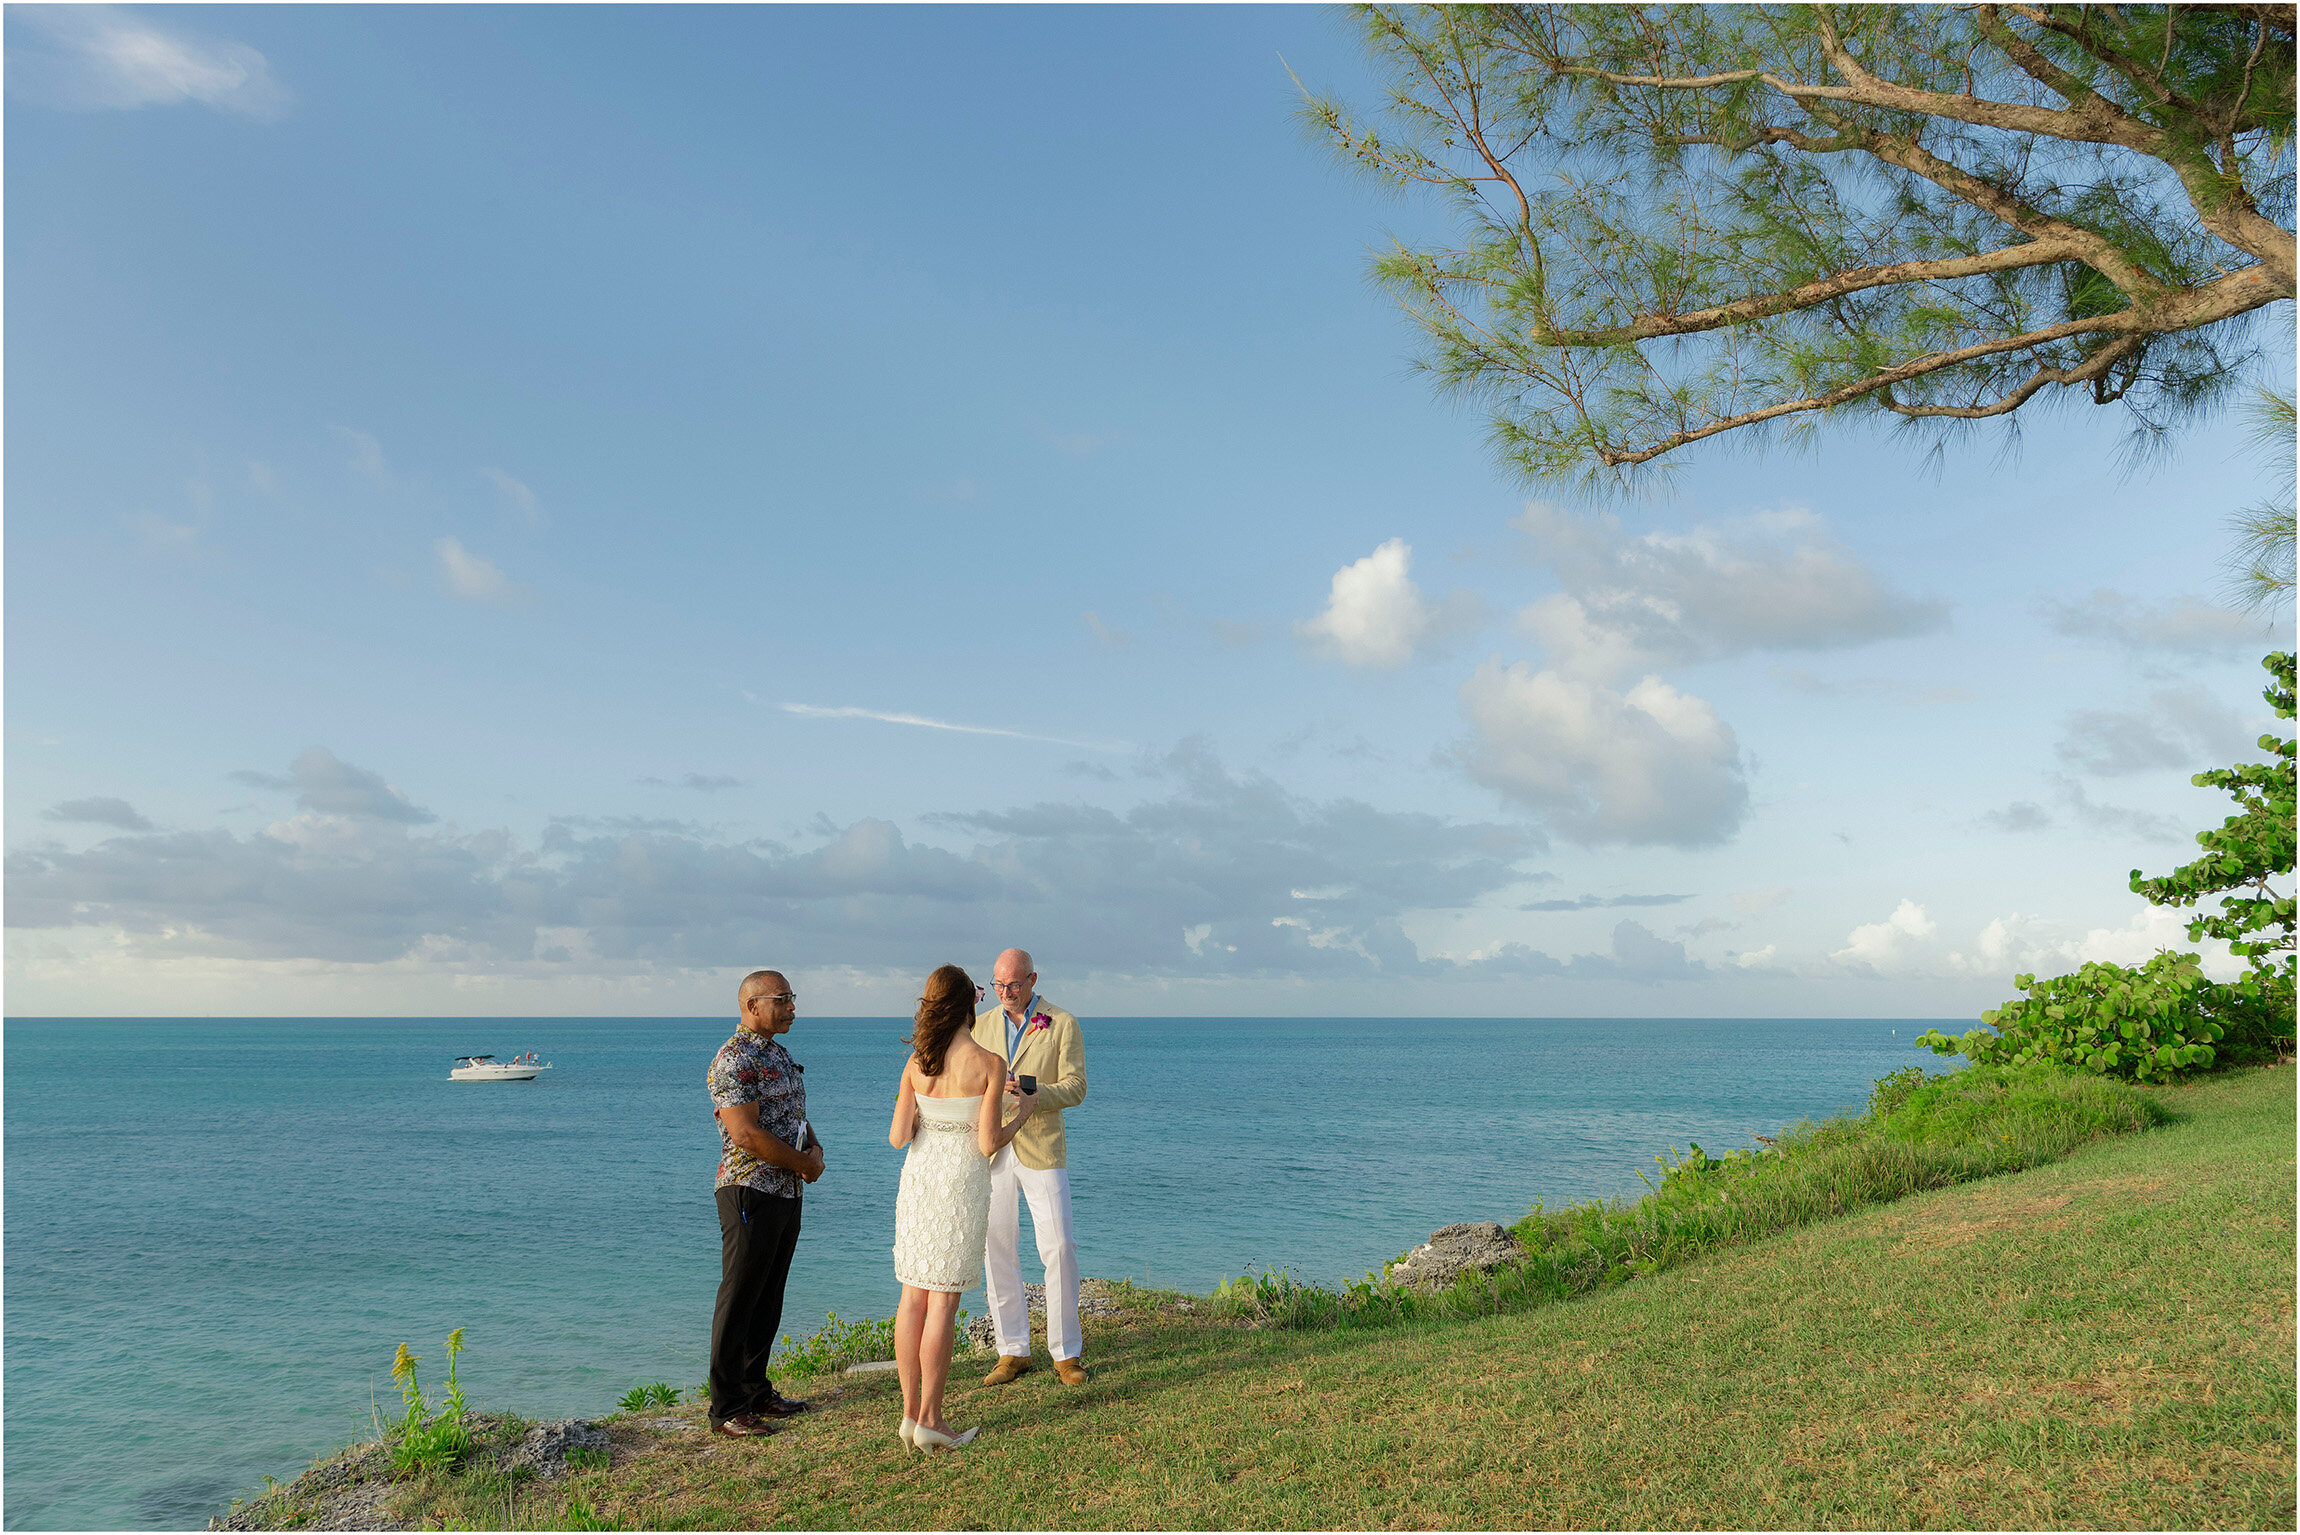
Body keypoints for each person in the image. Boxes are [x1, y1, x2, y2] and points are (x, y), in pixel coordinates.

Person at [887, 963, 1038, 1451]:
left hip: (918, 1181)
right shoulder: (990, 1063)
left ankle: (910, 1416)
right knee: (945, 1302)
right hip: (959, 1185)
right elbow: (987, 1142)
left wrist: (927, 1117)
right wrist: (1023, 1116)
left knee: (913, 1297)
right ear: (971, 1004)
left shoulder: (916, 1063)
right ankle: (933, 1418)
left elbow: (897, 1138)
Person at [705, 969, 824, 1440]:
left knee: (768, 1295)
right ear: (753, 1005)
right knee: (739, 1298)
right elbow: (746, 1133)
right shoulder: (732, 1059)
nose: (793, 1006)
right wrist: (803, 1163)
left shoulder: (776, 1052)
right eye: (784, 998)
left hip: (786, 1190)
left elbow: (792, 1113)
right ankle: (726, 1406)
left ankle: (755, 1390)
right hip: (750, 1190)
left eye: (793, 997)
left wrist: (813, 1151)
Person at [972, 947, 1090, 1386]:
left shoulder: (1063, 1023)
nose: (1006, 992)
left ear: (1034, 979)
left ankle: (1066, 1353)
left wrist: (1034, 1094)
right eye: (999, 984)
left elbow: (1077, 1087)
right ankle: (1012, 1350)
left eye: (1015, 984)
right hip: (993, 1147)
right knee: (996, 1248)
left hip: (1043, 1147)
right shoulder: (980, 1026)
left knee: (1059, 1247)